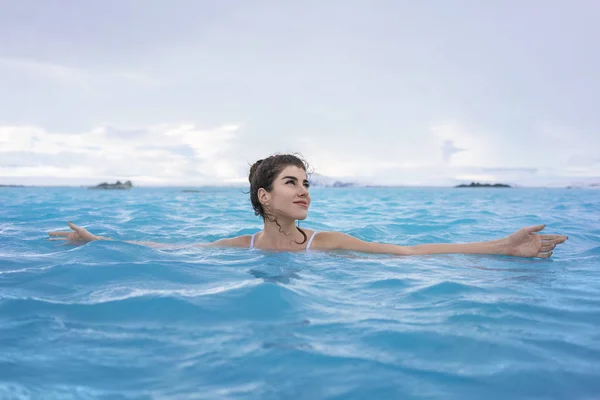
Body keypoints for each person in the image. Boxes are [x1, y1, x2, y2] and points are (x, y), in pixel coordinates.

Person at [49, 154, 568, 258]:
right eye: (290, 183)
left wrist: (502, 246)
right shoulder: (242, 246)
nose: (304, 191)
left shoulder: (327, 242)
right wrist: (96, 241)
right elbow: (169, 246)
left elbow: (409, 252)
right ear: (264, 197)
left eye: (306, 183)